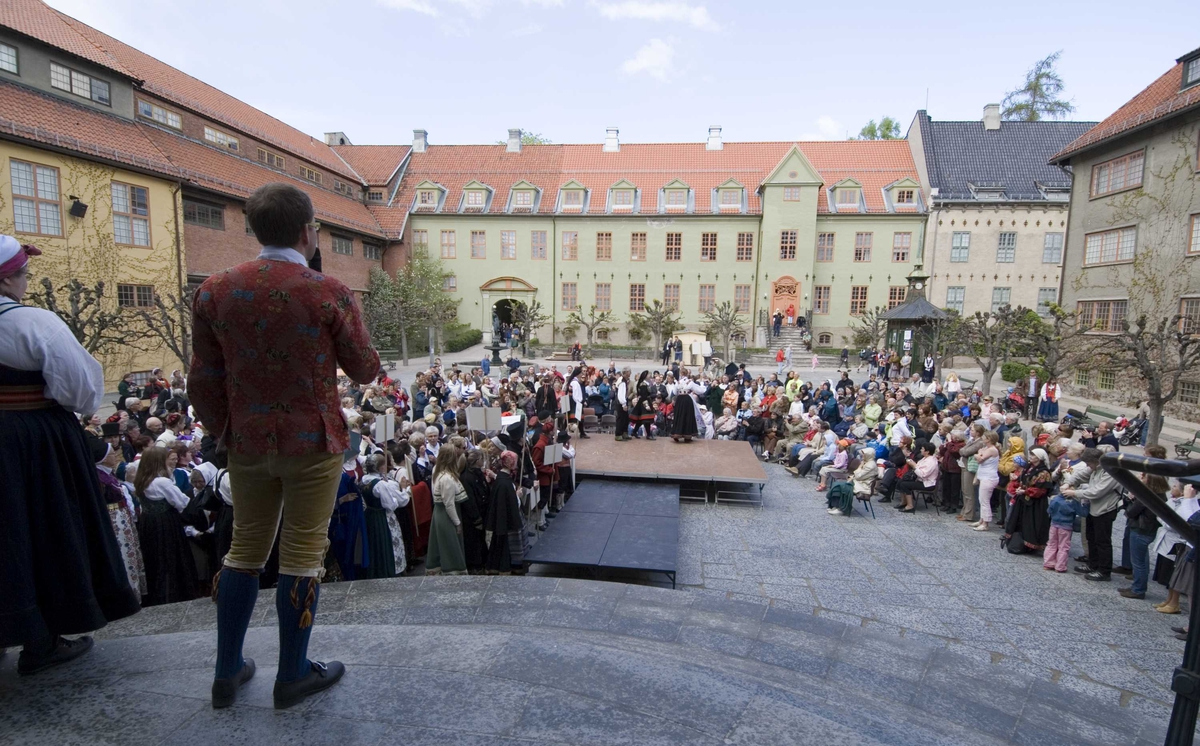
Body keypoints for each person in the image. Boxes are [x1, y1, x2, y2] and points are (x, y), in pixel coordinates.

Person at [190, 183, 380, 709]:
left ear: (254, 227)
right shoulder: (327, 291)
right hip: (312, 440)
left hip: (247, 441)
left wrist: (225, 430)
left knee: (244, 550)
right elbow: (365, 367)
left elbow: (202, 381)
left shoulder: (214, 290)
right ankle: (292, 673)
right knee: (300, 554)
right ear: (306, 230)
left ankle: (227, 671)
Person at [0, 236, 141, 674]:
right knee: (43, 529)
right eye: (23, 274)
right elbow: (81, 390)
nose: (26, 282)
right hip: (31, 439)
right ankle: (42, 640)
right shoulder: (32, 323)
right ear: (7, 279)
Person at [1062, 448, 1121, 582]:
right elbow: (1081, 474)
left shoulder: (1110, 471)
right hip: (1093, 508)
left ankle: (1104, 571)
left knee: (1102, 541)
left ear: (1095, 461)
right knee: (1091, 537)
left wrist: (1074, 493)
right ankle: (1093, 564)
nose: (1088, 467)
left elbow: (1096, 492)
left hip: (1105, 509)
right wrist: (1068, 482)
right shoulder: (1096, 467)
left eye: (1089, 464)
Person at [426, 443, 468, 574]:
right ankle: (452, 572)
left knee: (442, 545)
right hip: (446, 516)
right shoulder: (447, 478)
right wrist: (457, 522)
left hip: (441, 514)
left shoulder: (439, 473)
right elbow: (449, 504)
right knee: (449, 545)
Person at [485, 450, 527, 574]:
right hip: (508, 520)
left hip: (503, 518)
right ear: (510, 463)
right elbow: (511, 502)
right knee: (507, 545)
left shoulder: (501, 478)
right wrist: (517, 496)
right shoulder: (505, 483)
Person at [970, 431, 1000, 532]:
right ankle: (981, 519)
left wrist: (977, 454)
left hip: (989, 477)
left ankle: (985, 523)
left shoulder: (992, 450)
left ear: (989, 439)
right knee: (981, 499)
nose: (982, 438)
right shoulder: (987, 449)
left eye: (985, 437)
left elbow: (980, 459)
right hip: (984, 476)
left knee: (984, 501)